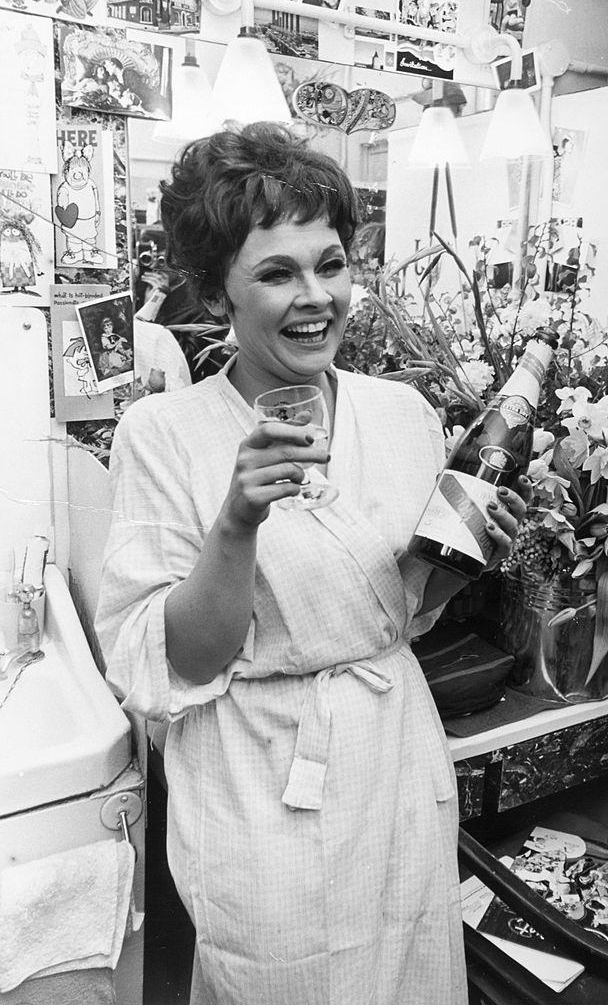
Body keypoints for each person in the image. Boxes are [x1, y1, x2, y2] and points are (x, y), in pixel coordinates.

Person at [95, 123, 529, 1005]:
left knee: (407, 970)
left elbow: (401, 612)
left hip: (393, 760)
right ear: (217, 297)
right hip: (261, 786)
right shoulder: (165, 433)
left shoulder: (403, 412)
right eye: (276, 272)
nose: (315, 297)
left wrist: (462, 559)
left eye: (330, 265)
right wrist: (236, 523)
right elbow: (175, 663)